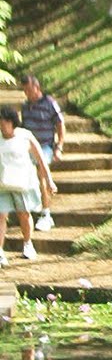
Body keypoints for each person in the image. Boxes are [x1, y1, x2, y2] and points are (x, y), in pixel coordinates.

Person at [0, 104, 55, 264]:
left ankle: (27, 243)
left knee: (23, 214)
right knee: (1, 215)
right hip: (2, 184)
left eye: (5, 122)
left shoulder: (25, 136)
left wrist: (49, 181)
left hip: (21, 183)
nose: (2, 126)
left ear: (12, 122)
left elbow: (41, 160)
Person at [19, 74, 64, 232]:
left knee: (41, 172)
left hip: (45, 146)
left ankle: (46, 213)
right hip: (28, 147)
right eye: (24, 91)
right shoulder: (25, 106)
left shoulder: (49, 103)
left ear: (36, 88)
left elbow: (60, 124)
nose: (27, 94)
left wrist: (59, 146)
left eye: (29, 90)